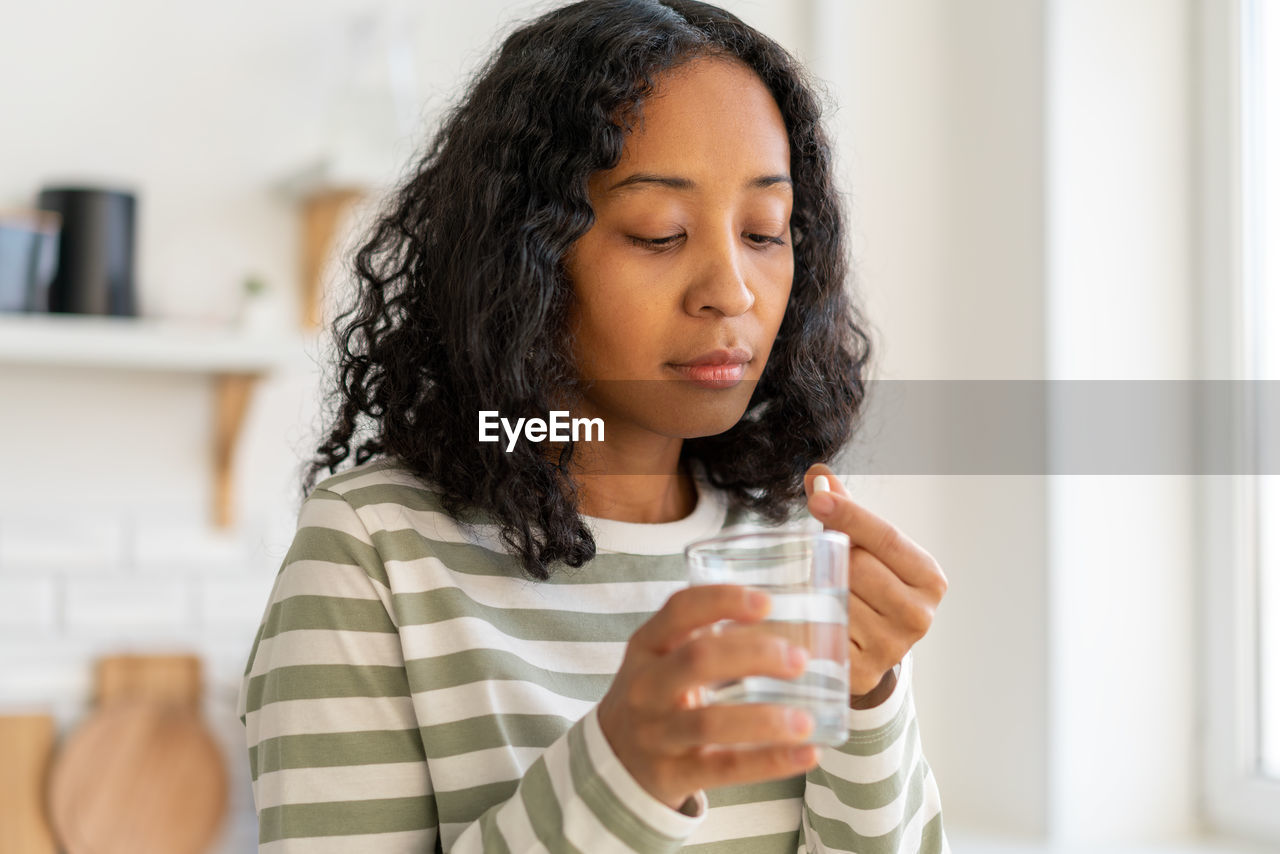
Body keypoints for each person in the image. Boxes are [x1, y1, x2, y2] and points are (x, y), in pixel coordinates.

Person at [238, 1, 950, 851]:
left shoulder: (790, 537)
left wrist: (871, 698)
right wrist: (620, 774)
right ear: (525, 258)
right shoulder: (377, 551)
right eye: (660, 234)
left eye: (765, 230)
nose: (733, 290)